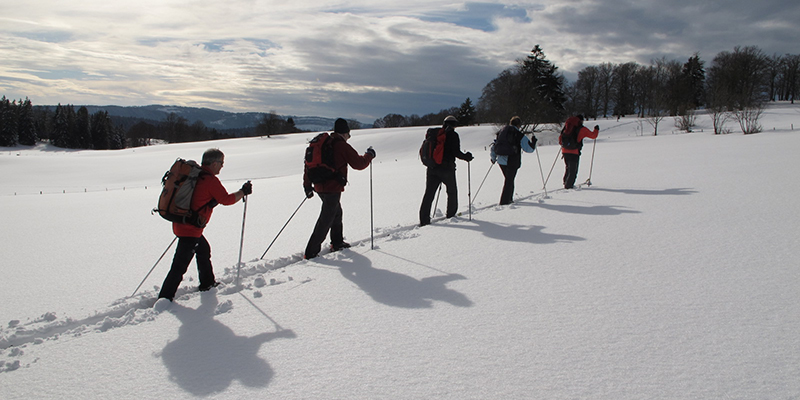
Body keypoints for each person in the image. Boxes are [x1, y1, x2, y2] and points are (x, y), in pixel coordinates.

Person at [158, 148, 252, 302]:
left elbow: (200, 199)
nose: (222, 166)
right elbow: (227, 200)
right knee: (179, 266)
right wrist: (243, 192)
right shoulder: (209, 180)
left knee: (203, 250)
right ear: (214, 163)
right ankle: (164, 298)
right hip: (191, 229)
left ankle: (207, 283)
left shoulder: (195, 175)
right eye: (221, 163)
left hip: (182, 224)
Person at [303, 118, 375, 259]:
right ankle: (311, 252)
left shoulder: (324, 143)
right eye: (349, 134)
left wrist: (307, 186)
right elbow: (359, 164)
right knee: (327, 218)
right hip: (332, 187)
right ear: (345, 133)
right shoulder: (341, 145)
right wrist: (369, 155)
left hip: (319, 185)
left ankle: (337, 242)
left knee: (336, 212)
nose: (349, 137)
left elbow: (308, 165)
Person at [419, 115, 474, 226]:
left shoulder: (435, 134)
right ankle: (451, 215)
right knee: (452, 191)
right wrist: (466, 157)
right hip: (447, 168)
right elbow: (455, 152)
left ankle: (424, 219)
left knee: (429, 193)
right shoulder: (453, 135)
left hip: (432, 167)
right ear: (454, 124)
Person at [490, 116, 537, 205]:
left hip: (501, 160)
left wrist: (493, 158)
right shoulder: (518, 134)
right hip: (512, 160)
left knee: (509, 179)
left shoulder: (501, 132)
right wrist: (533, 143)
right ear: (519, 125)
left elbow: (494, 146)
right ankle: (505, 202)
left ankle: (509, 199)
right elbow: (528, 149)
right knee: (509, 180)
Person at [559, 115, 599, 189]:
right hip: (574, 151)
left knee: (568, 167)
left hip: (564, 150)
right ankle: (569, 186)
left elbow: (560, 139)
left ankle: (566, 182)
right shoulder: (581, 128)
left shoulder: (567, 127)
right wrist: (596, 130)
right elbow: (593, 136)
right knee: (573, 169)